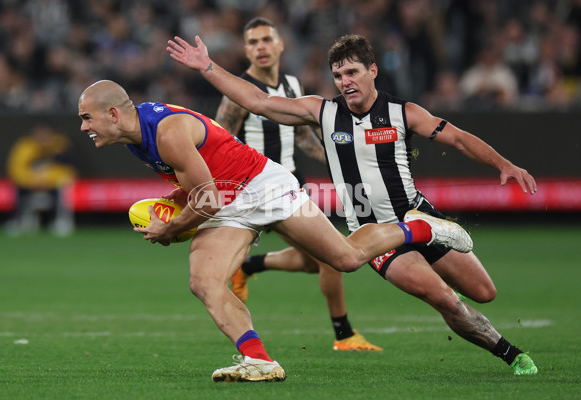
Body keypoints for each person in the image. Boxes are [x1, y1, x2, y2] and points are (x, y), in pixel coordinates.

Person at [166, 33, 538, 375]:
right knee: (443, 298)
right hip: (371, 235)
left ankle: (429, 231)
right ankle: (511, 354)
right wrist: (208, 67)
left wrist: (503, 164)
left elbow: (455, 137)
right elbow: (258, 101)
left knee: (484, 293)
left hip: (417, 213)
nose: (345, 81)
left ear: (373, 71)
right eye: (339, 75)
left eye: (353, 72)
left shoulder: (402, 113)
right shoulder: (323, 112)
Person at [78, 79, 471, 382]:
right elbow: (201, 188)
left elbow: (208, 198)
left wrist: (172, 228)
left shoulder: (166, 132)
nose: (83, 127)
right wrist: (178, 205)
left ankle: (419, 227)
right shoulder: (135, 136)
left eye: (86, 118)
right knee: (204, 281)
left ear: (113, 114)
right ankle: (259, 361)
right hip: (229, 200)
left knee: (346, 259)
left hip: (263, 186)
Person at [216, 17, 380, 352]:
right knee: (333, 256)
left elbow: (303, 136)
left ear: (280, 45)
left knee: (312, 261)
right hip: (257, 189)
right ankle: (344, 335)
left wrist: (340, 164)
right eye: (252, 42)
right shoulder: (239, 94)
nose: (260, 47)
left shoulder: (291, 84)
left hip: (291, 183)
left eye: (266, 39)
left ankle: (249, 266)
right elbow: (216, 140)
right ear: (245, 50)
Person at [5, 123, 76, 236]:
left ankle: (58, 222)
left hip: (51, 184)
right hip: (30, 184)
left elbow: (66, 170)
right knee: (18, 191)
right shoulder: (25, 147)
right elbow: (17, 170)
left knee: (60, 192)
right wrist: (32, 182)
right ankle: (17, 221)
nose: (42, 136)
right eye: (39, 133)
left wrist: (47, 181)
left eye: (45, 133)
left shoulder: (59, 146)